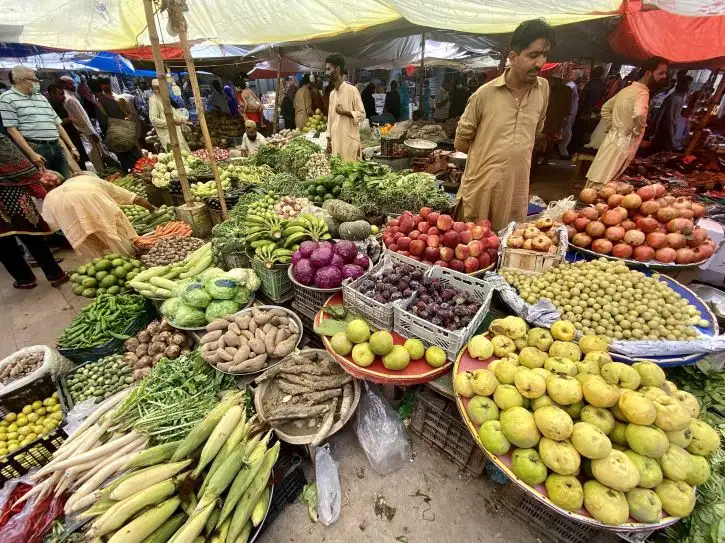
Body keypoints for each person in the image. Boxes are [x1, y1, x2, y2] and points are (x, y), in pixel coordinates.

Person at [454, 18, 554, 230]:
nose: (540, 62)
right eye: (533, 55)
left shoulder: (543, 89)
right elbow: (461, 143)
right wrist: (492, 158)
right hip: (482, 189)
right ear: (513, 57)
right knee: (472, 248)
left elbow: (535, 132)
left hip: (517, 190)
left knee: (507, 244)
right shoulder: (484, 95)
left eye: (544, 55)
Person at [586, 57, 670, 189]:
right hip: (623, 144)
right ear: (648, 73)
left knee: (598, 175)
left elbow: (605, 108)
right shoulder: (642, 93)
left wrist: (614, 125)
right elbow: (639, 114)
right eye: (661, 73)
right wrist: (637, 131)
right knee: (606, 181)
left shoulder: (626, 90)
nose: (664, 76)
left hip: (611, 140)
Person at [0, 133, 69, 289]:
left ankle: (24, 279)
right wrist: (36, 175)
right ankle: (55, 274)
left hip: (9, 189)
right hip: (10, 189)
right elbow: (10, 155)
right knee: (29, 231)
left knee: (3, 241)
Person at [42, 172, 154, 259]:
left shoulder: (53, 194)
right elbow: (135, 198)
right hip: (93, 204)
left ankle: (103, 265)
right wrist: (153, 209)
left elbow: (51, 225)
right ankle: (129, 261)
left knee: (91, 245)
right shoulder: (95, 181)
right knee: (115, 238)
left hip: (63, 210)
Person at [0, 66, 79, 179]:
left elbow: (57, 124)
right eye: (33, 79)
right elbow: (12, 130)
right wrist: (32, 154)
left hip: (56, 145)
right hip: (37, 148)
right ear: (21, 80)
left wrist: (72, 147)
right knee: (51, 185)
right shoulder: (6, 99)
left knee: (68, 180)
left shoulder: (41, 97)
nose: (37, 82)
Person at [92, 77, 141, 173]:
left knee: (135, 156)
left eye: (107, 83)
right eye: (104, 84)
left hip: (126, 130)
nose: (107, 85)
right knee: (126, 158)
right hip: (116, 134)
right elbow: (103, 122)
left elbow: (127, 112)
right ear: (101, 86)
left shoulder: (116, 97)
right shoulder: (100, 102)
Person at [324, 53, 365, 161]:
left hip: (349, 142)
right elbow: (330, 119)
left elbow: (362, 114)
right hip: (336, 142)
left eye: (329, 69)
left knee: (351, 173)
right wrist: (329, 140)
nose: (326, 73)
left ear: (337, 69)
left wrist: (345, 112)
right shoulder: (332, 94)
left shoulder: (352, 90)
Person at [59, 76, 103, 171]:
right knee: (95, 157)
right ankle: (102, 174)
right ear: (63, 85)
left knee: (96, 156)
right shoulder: (69, 99)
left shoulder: (71, 97)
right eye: (70, 83)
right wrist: (92, 133)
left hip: (85, 131)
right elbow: (81, 120)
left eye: (73, 83)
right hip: (86, 132)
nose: (73, 85)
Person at [46, 84, 90, 172]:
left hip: (72, 137)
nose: (63, 97)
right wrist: (69, 119)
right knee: (76, 165)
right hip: (66, 140)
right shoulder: (51, 105)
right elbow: (56, 123)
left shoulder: (60, 104)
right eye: (60, 94)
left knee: (81, 163)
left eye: (63, 94)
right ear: (52, 94)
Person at [535, 70, 572, 166]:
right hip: (545, 117)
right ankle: (536, 159)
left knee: (551, 140)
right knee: (541, 138)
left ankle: (546, 159)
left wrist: (564, 119)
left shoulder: (566, 90)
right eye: (552, 80)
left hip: (557, 119)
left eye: (555, 80)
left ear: (559, 81)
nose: (553, 82)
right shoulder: (548, 88)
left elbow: (568, 106)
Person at [148, 79, 189, 152]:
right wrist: (171, 122)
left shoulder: (164, 97)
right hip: (168, 135)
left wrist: (180, 118)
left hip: (176, 132)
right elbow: (153, 120)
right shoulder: (153, 100)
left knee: (184, 154)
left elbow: (172, 111)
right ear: (157, 88)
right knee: (175, 155)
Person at [651, 76, 690, 152]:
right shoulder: (672, 97)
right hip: (666, 125)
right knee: (661, 147)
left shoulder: (682, 96)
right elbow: (661, 113)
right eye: (688, 83)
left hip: (671, 124)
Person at [558, 76, 580, 158]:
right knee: (566, 131)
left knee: (567, 130)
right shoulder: (571, 86)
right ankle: (563, 151)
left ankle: (563, 150)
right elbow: (566, 100)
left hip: (571, 112)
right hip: (569, 113)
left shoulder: (573, 86)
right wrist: (566, 113)